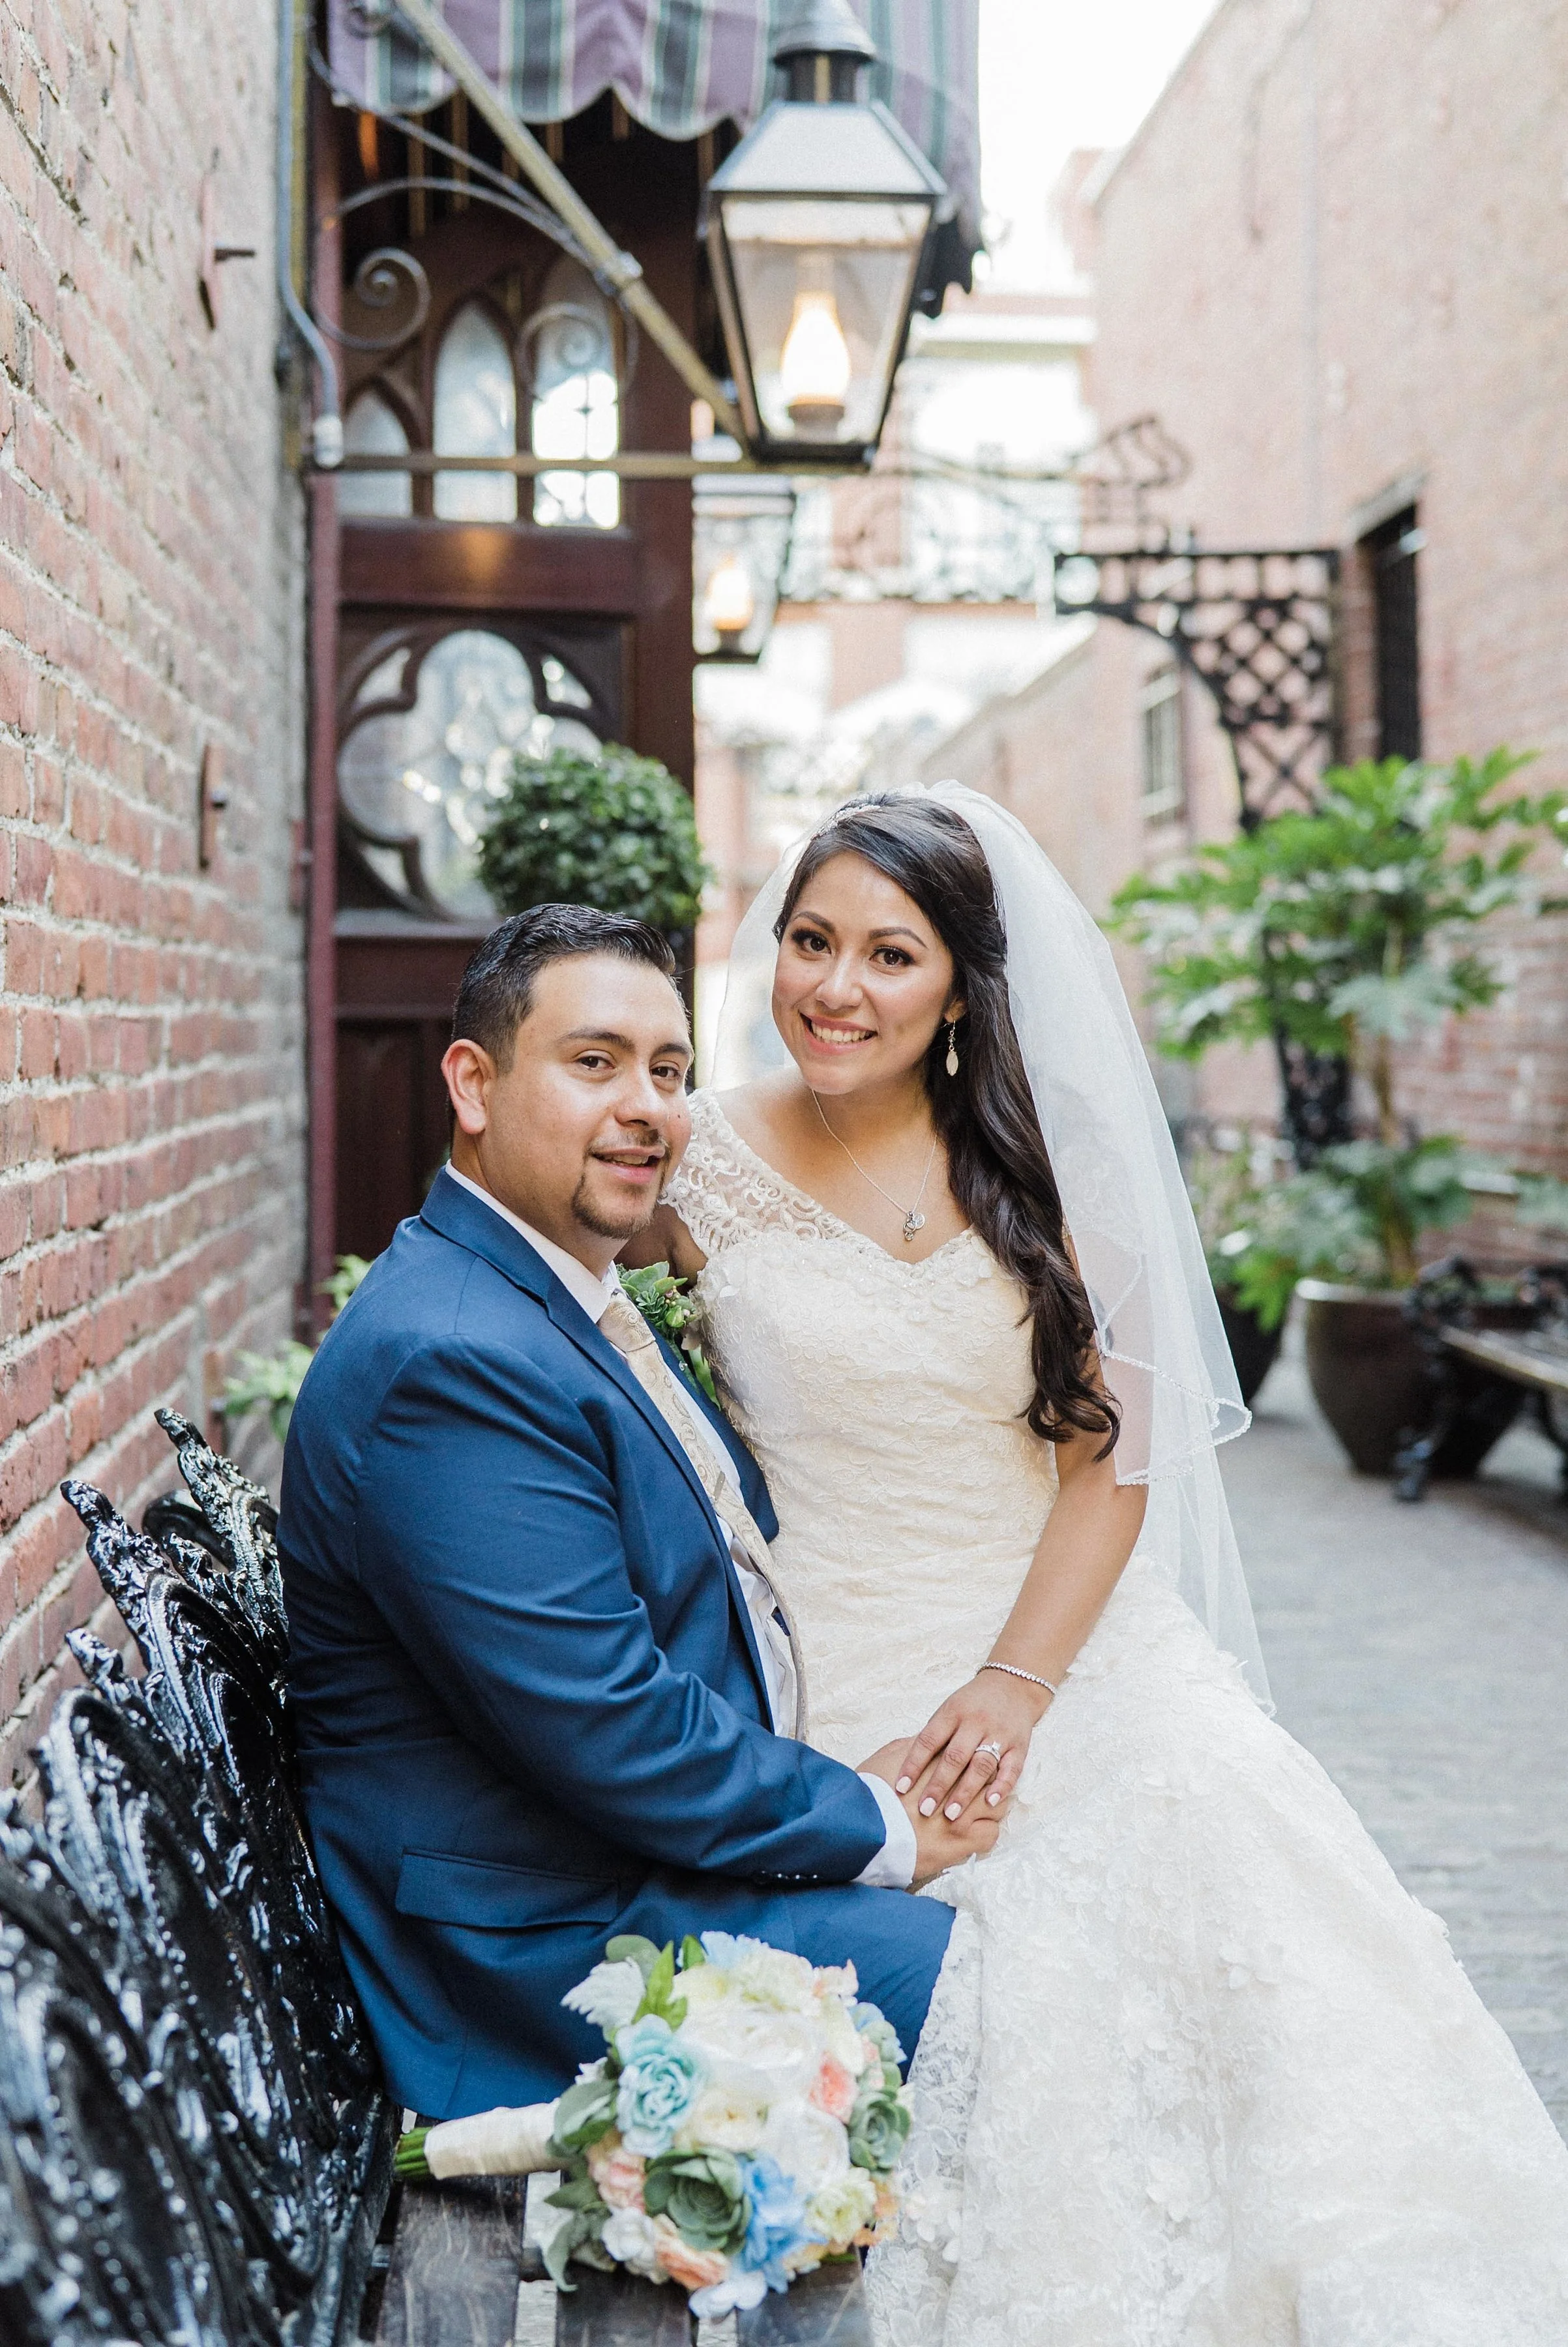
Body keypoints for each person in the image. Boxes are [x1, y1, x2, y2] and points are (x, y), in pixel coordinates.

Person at [632, 784, 1568, 2345]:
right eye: (809, 941)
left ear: (957, 990)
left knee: (1213, 1860)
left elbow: (1110, 1462)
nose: (833, 989)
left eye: (887, 955)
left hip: (1069, 1641)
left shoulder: (1049, 1173)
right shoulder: (696, 1162)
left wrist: (1015, 1686)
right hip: (842, 1658)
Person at [277, 903, 993, 2124]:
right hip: (552, 1943)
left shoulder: (540, 1293)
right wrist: (880, 1826)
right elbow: (610, 1723)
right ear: (474, 1083)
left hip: (615, 1856)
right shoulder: (452, 1361)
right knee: (1015, 1983)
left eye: (669, 1072)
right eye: (594, 1063)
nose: (650, 1107)